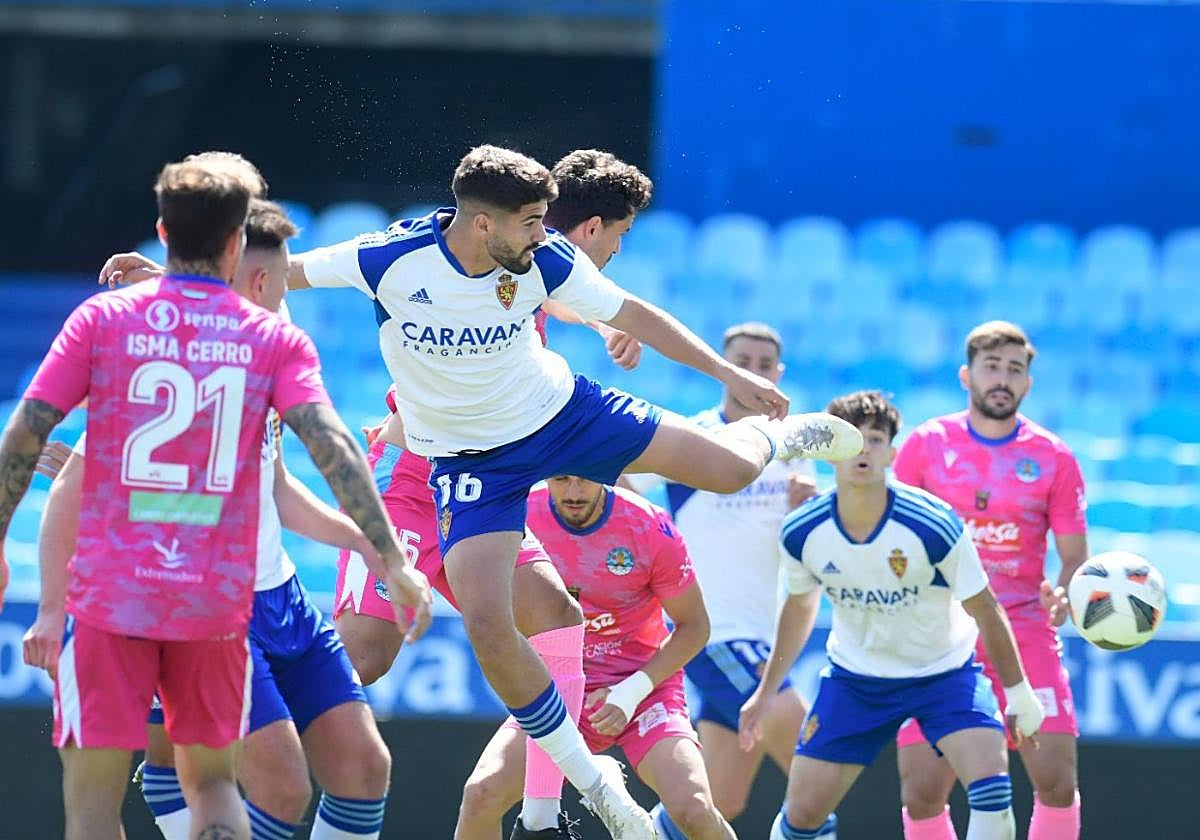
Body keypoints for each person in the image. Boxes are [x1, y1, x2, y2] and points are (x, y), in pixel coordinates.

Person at [102, 144, 863, 839]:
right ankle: (591, 791)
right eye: (530, 221)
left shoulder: (541, 258)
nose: (543, 234)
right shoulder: (391, 257)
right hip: (472, 463)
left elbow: (630, 310)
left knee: (730, 469)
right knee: (489, 627)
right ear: (482, 221)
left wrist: (726, 375)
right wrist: (166, 277)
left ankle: (793, 434)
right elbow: (275, 272)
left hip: (561, 415)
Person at [0, 157, 430, 840]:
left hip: (118, 597)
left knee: (92, 808)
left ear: (162, 232)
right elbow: (332, 445)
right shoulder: (266, 340)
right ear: (236, 243)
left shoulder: (106, 321)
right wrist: (390, 552)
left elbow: (25, 434)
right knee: (227, 787)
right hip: (211, 600)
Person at [739, 390, 1046, 840]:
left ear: (892, 454)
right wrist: (766, 692)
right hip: (856, 682)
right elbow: (800, 605)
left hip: (944, 675)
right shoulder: (802, 531)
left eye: (875, 439)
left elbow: (985, 608)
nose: (863, 449)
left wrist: (1020, 695)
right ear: (828, 453)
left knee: (992, 790)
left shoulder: (933, 523)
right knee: (801, 815)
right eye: (850, 439)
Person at [892, 321, 1089, 840]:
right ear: (967, 375)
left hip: (1024, 631)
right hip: (937, 635)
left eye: (1014, 370)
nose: (1002, 379)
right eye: (992, 367)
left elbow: (1074, 558)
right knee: (922, 793)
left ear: (1028, 383)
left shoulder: (1053, 456)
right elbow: (893, 537)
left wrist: (1064, 592)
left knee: (1057, 782)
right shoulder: (926, 445)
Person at [455, 475, 735, 840]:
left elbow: (695, 627)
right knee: (481, 796)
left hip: (643, 694)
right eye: (561, 479)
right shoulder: (516, 514)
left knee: (694, 809)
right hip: (555, 692)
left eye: (585, 480)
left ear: (605, 471)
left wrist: (630, 693)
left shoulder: (649, 526)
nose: (573, 492)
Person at [624, 322, 818, 837]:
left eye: (763, 365)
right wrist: (653, 541)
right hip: (713, 632)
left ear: (778, 374)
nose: (752, 372)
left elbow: (800, 550)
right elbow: (619, 474)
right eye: (742, 362)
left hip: (762, 632)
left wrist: (805, 511)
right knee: (813, 757)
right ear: (724, 369)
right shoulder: (694, 437)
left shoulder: (790, 447)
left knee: (720, 798)